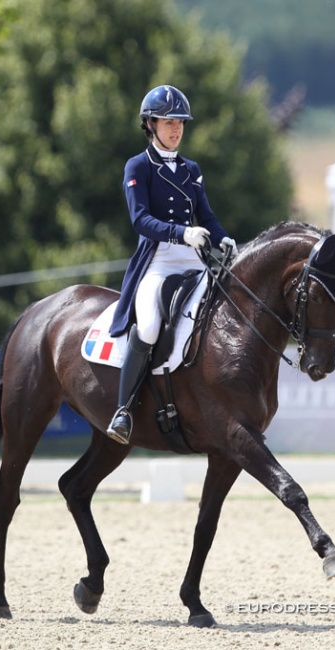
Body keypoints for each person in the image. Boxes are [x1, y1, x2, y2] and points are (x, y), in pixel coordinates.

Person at [106, 84, 237, 444]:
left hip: (193, 261)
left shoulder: (191, 169)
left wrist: (221, 236)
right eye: (168, 121)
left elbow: (206, 216)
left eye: (180, 122)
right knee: (148, 325)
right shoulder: (138, 166)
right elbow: (140, 220)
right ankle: (124, 410)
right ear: (150, 124)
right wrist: (181, 233)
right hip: (158, 261)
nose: (176, 128)